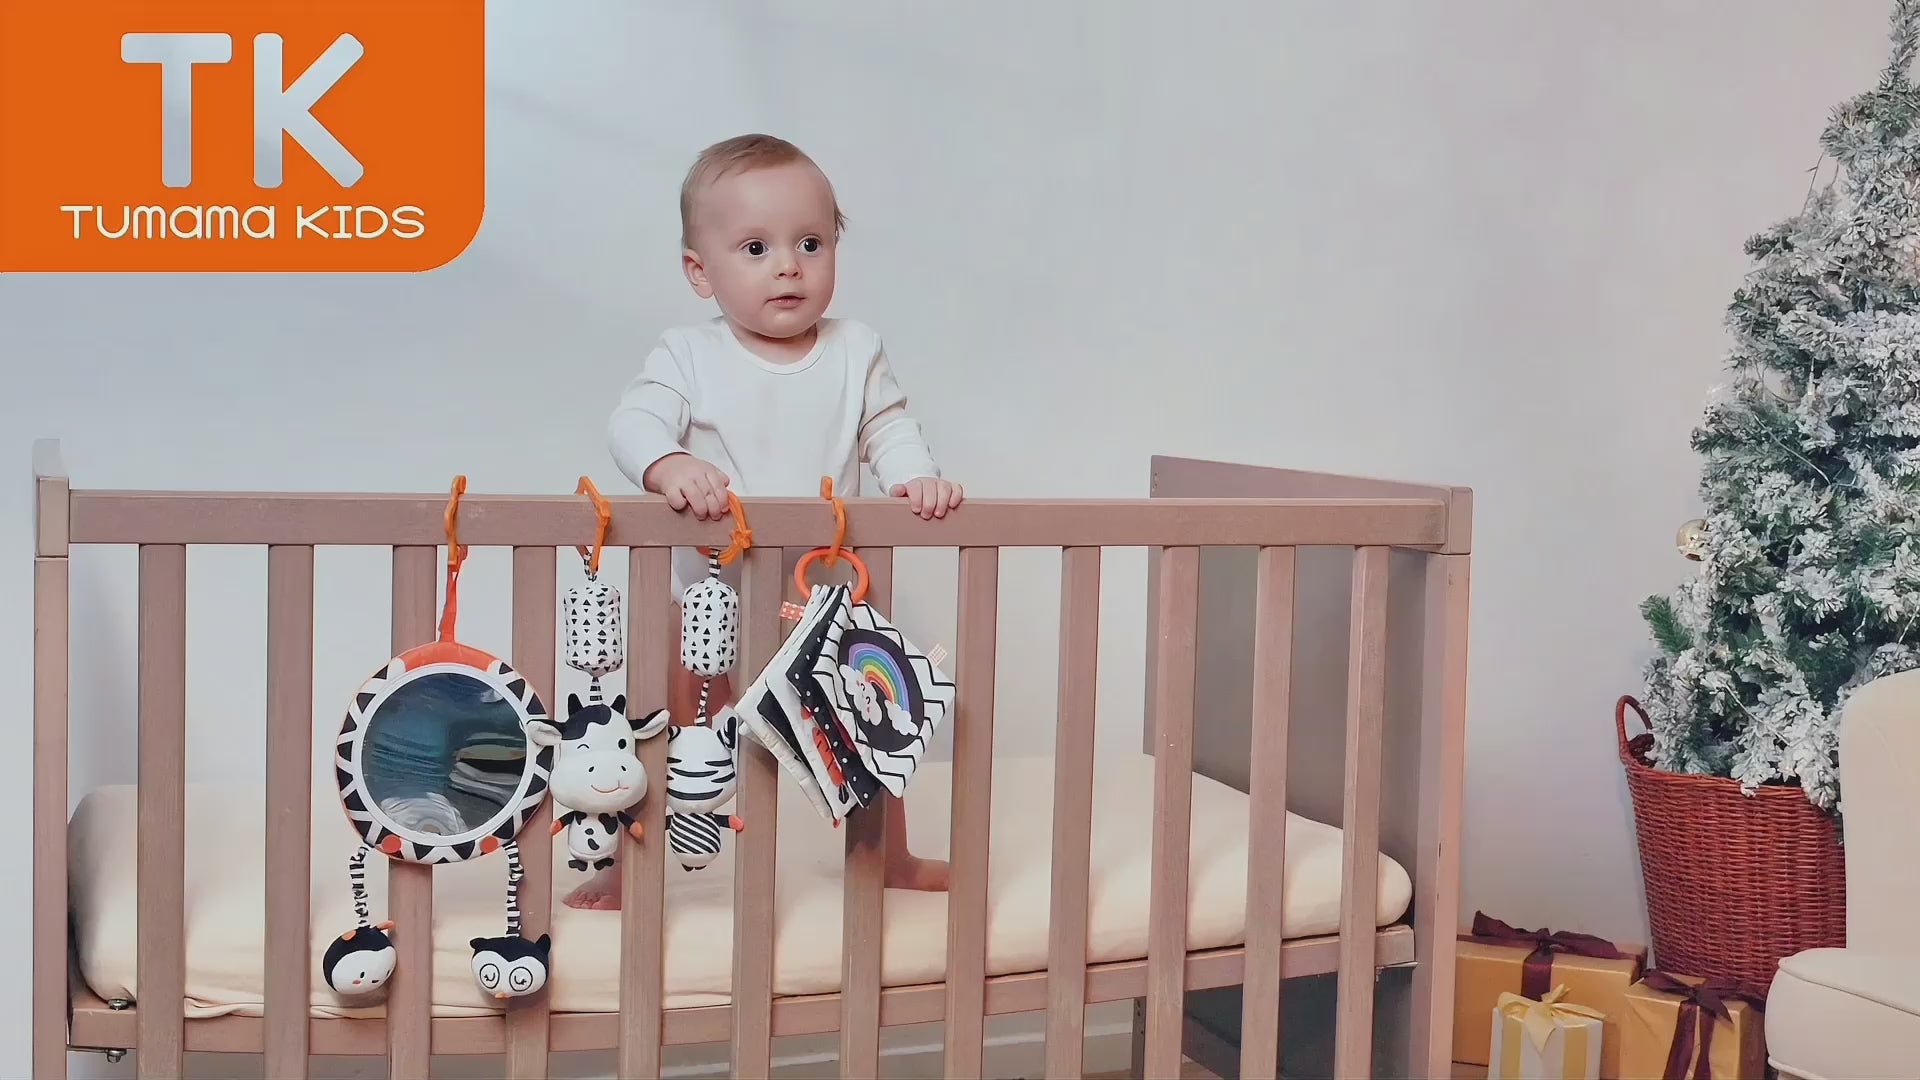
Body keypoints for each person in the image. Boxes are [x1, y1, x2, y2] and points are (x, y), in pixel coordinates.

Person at [570, 134, 961, 910]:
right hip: (711, 609)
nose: (789, 264)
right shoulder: (688, 355)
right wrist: (668, 467)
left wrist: (914, 477)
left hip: (829, 605)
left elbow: (886, 426)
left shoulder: (856, 350)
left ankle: (890, 855)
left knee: (872, 726)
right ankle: (632, 865)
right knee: (672, 738)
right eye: (756, 247)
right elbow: (633, 422)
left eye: (811, 243)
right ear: (699, 270)